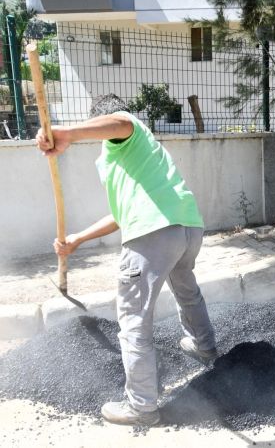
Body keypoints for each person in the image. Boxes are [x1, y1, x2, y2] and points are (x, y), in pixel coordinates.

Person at [36, 94, 218, 425]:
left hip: (153, 234)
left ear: (99, 124)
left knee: (133, 317)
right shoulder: (132, 157)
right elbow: (122, 214)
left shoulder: (127, 130)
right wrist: (78, 238)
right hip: (187, 226)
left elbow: (120, 122)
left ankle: (142, 406)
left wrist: (67, 132)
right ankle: (203, 346)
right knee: (186, 288)